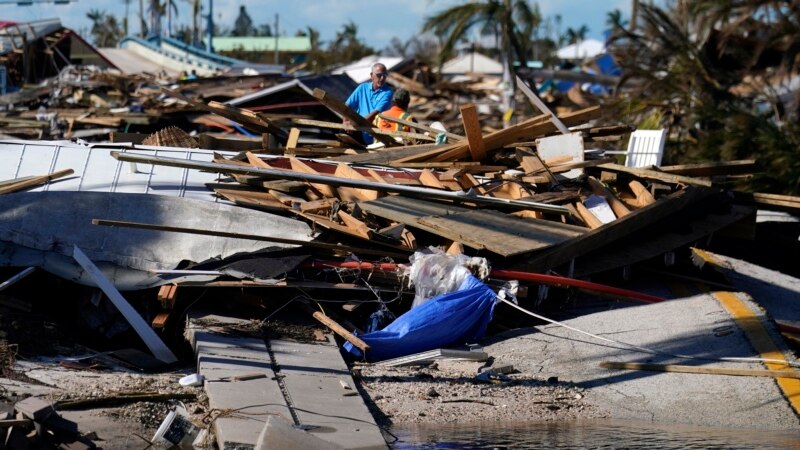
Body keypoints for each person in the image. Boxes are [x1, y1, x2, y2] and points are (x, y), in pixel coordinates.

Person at [344, 62, 393, 144]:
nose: (381, 78)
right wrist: (345, 122)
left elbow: (374, 114)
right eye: (379, 75)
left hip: (375, 135)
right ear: (371, 75)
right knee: (342, 133)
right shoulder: (362, 88)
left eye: (384, 75)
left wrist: (353, 124)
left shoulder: (388, 92)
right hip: (359, 129)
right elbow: (347, 106)